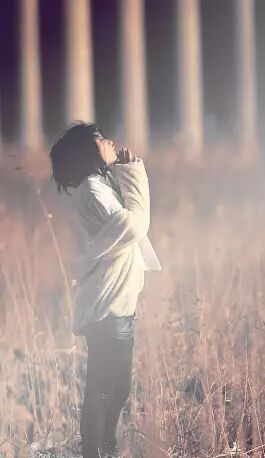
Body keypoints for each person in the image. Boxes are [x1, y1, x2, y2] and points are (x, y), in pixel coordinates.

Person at [49, 121, 162, 457]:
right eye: (99, 139)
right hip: (107, 307)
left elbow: (129, 220)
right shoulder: (93, 191)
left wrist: (125, 170)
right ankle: (96, 451)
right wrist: (132, 172)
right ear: (87, 152)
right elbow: (133, 225)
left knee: (119, 389)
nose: (109, 141)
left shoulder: (100, 185)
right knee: (101, 389)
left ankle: (106, 448)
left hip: (119, 305)